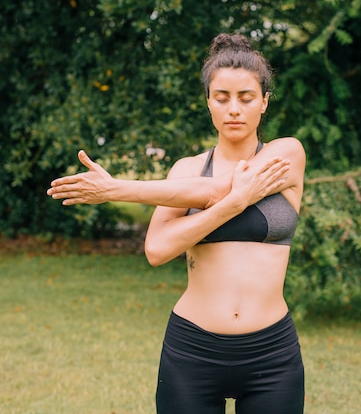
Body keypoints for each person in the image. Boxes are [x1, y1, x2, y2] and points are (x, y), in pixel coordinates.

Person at [48, 33, 306, 414]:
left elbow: (221, 188)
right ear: (208, 104)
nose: (234, 109)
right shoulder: (185, 170)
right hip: (192, 351)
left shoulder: (287, 154)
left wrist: (117, 188)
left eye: (246, 98)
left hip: (272, 354)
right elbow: (156, 250)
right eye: (221, 98)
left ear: (264, 103)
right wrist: (232, 205)